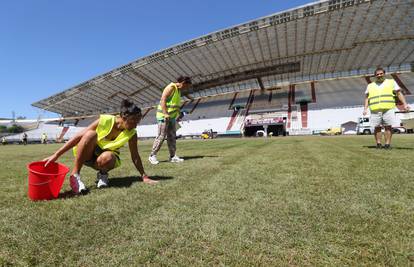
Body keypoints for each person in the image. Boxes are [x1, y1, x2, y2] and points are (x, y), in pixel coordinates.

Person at [43, 99, 158, 195]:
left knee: (108, 156)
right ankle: (75, 175)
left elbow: (135, 156)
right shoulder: (105, 120)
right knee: (90, 134)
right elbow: (79, 136)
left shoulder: (132, 133)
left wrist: (144, 176)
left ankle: (103, 175)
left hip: (103, 160)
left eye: (137, 122)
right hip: (86, 155)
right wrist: (56, 154)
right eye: (133, 121)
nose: (135, 125)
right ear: (124, 116)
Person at [148, 76, 193, 164]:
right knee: (161, 136)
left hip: (171, 117)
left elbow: (174, 104)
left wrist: (178, 113)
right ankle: (152, 155)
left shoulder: (178, 90)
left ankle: (172, 156)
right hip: (163, 116)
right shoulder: (171, 87)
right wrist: (165, 113)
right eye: (186, 86)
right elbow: (163, 100)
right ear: (183, 83)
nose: (186, 88)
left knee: (172, 137)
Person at [363, 67, 410, 149]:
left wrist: (405, 104)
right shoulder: (370, 86)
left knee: (388, 126)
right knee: (377, 127)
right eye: (377, 74)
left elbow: (399, 94)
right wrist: (365, 109)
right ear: (375, 76)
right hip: (375, 109)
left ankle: (387, 144)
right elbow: (367, 98)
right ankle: (378, 144)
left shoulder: (391, 82)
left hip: (388, 108)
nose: (379, 75)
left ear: (384, 74)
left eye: (381, 73)